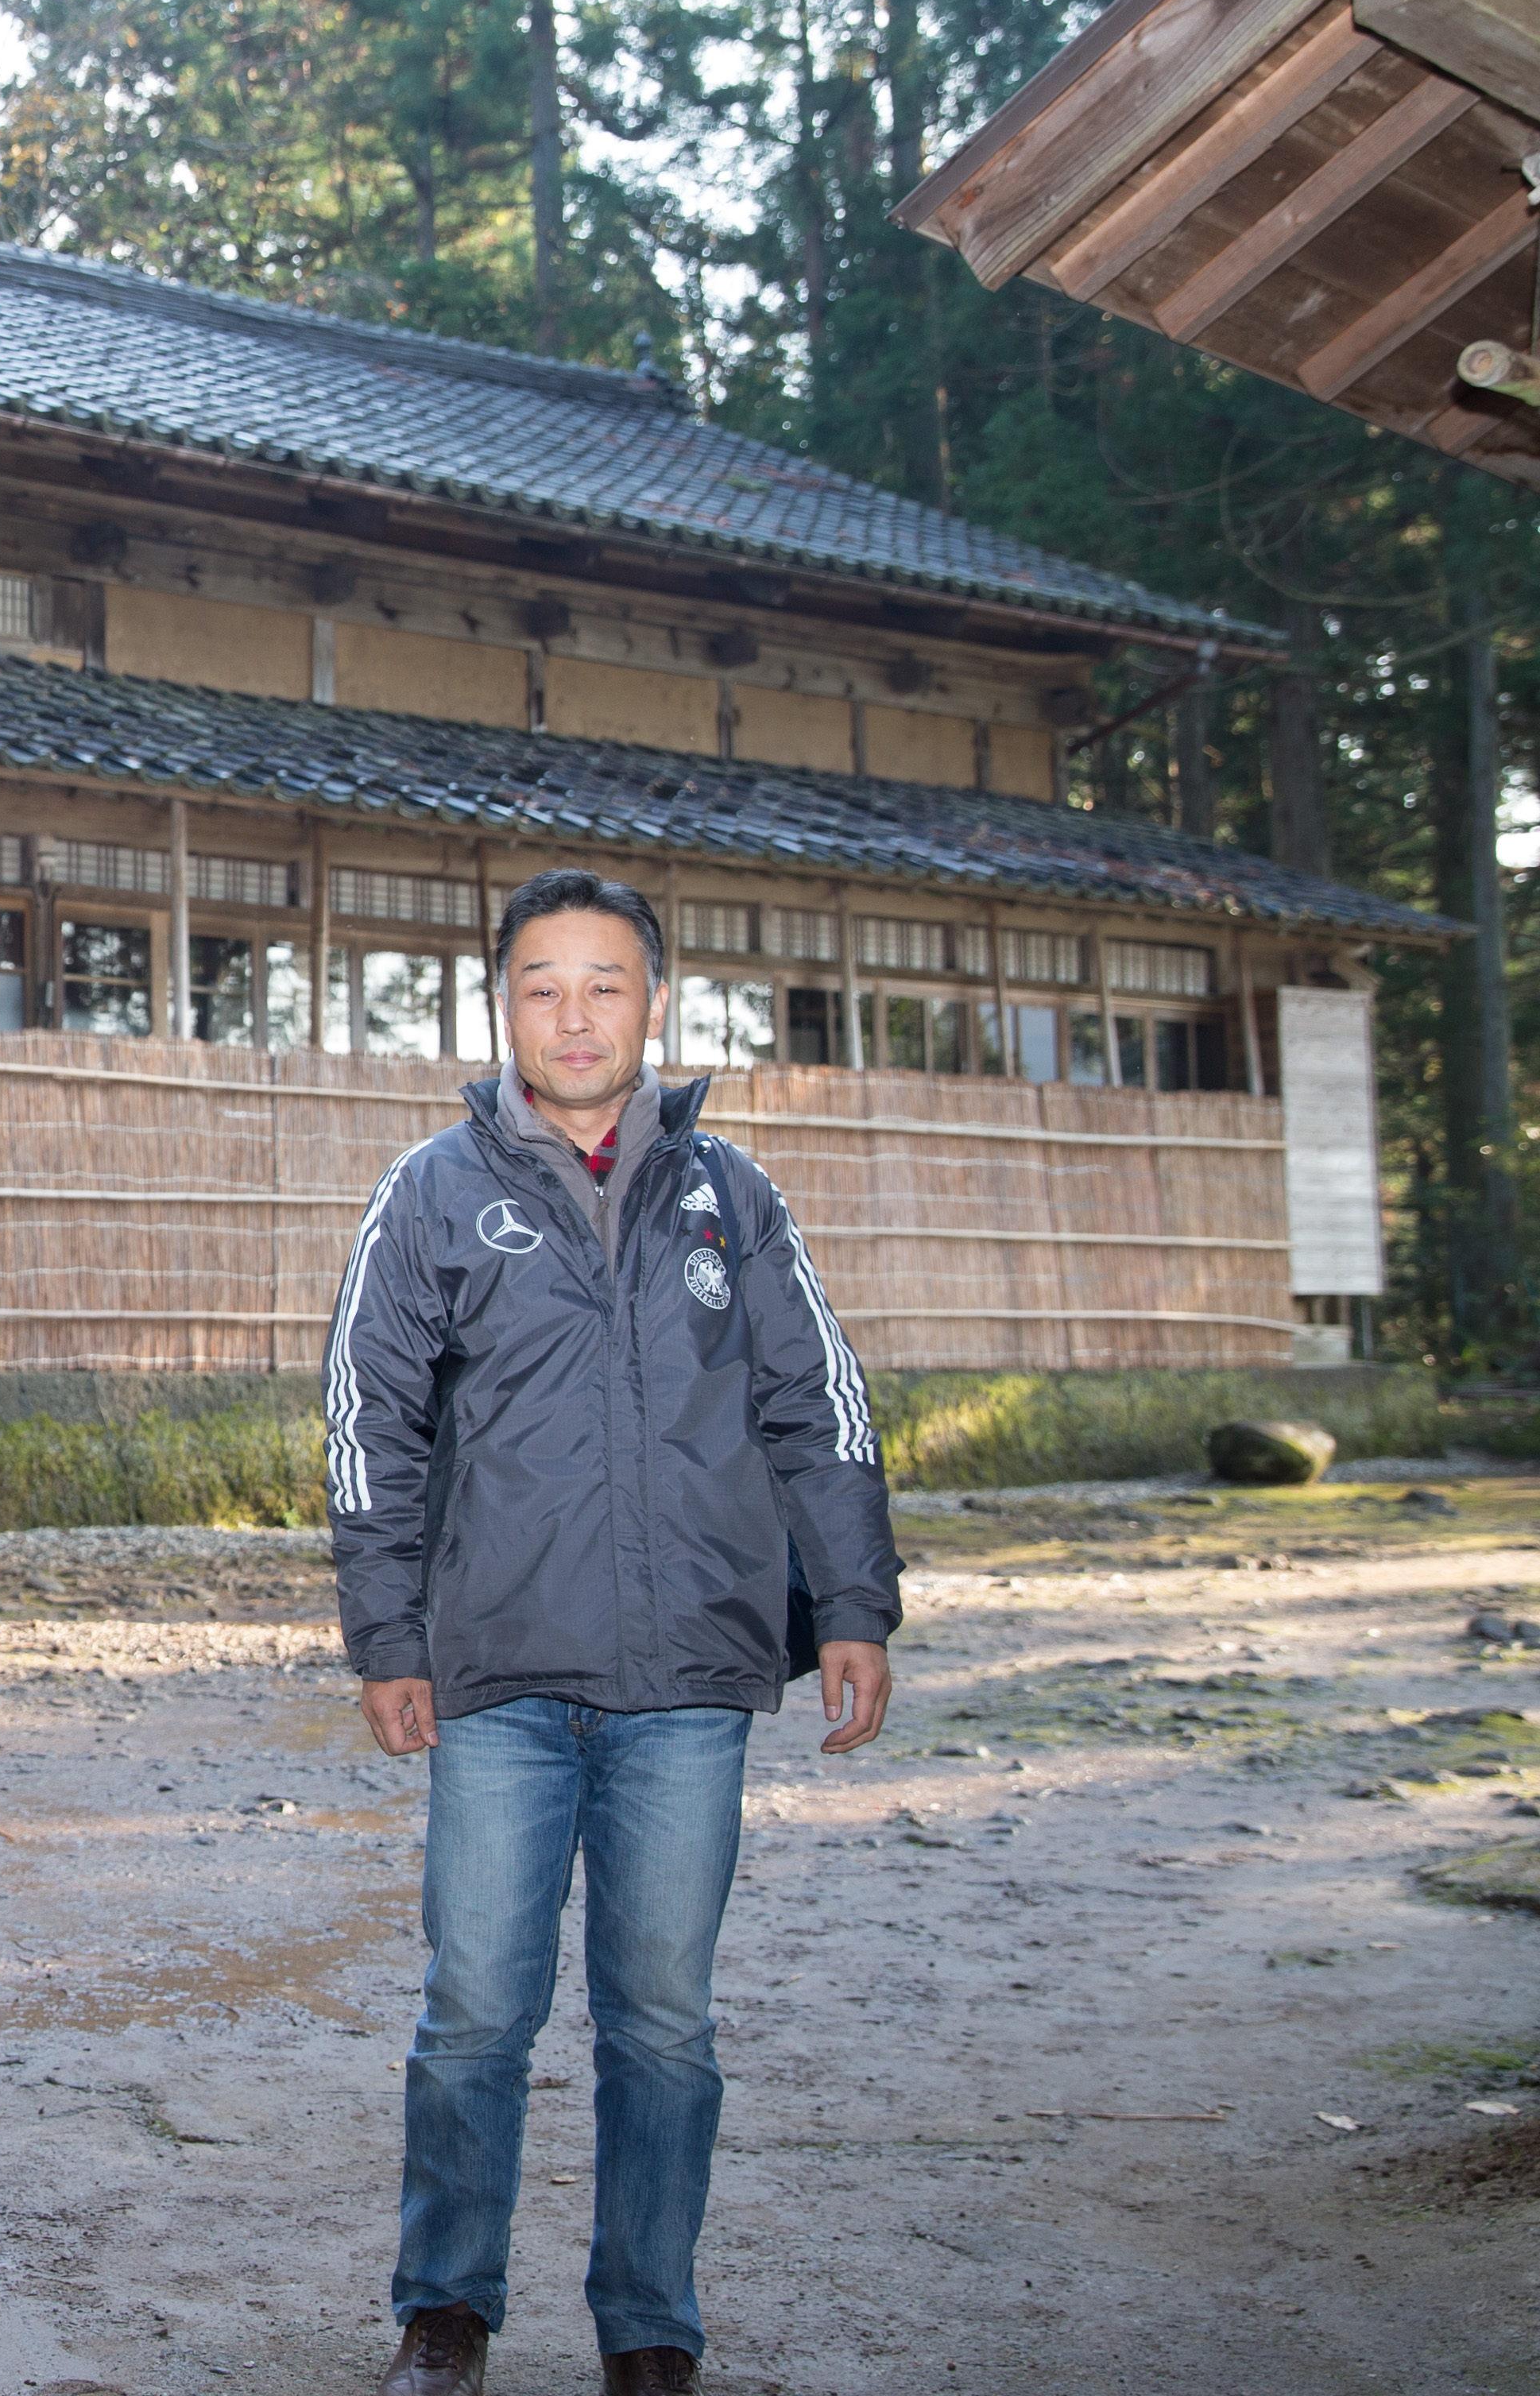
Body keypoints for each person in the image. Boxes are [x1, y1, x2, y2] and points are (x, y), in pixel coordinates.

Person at [322, 867, 901, 2396]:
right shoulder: (431, 1193)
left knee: (663, 2023)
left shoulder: (733, 1196)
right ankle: (445, 2312)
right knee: (475, 2013)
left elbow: (819, 1407)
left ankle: (650, 2329)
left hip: (691, 1678)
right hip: (499, 1679)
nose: (573, 1017)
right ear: (500, 1006)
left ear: (654, 1003)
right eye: (542, 986)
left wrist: (853, 1605)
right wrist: (389, 1637)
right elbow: (371, 1425)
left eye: (605, 985)